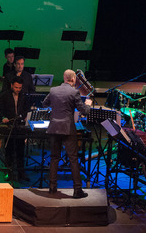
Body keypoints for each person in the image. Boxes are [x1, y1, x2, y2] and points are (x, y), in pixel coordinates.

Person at [42, 70, 92, 198]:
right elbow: (84, 111)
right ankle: (77, 190)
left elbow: (44, 103)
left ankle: (52, 187)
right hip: (68, 129)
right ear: (74, 79)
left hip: (54, 127)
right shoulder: (75, 92)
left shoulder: (53, 90)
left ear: (64, 78)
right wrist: (88, 104)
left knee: (54, 158)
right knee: (73, 159)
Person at [0, 76, 30, 181]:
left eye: (19, 88)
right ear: (11, 86)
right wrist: (3, 118)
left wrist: (25, 116)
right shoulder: (5, 96)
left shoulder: (24, 96)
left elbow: (26, 109)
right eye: (16, 87)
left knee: (20, 151)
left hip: (20, 126)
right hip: (9, 126)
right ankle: (8, 172)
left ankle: (21, 173)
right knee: (9, 150)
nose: (18, 90)